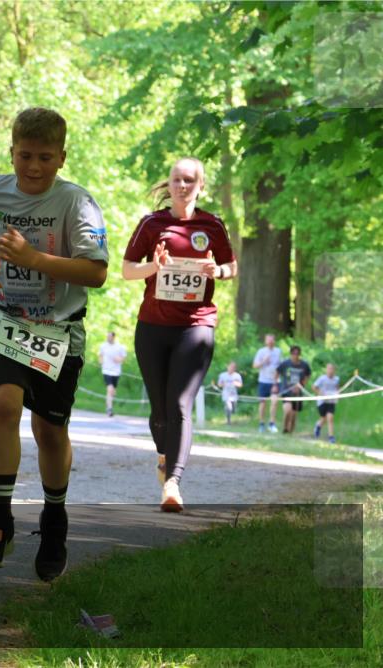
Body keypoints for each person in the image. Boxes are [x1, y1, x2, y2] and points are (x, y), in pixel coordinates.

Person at [0, 107, 108, 581]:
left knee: (49, 432)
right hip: (4, 318)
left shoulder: (77, 205)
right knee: (3, 405)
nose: (34, 166)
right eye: (25, 155)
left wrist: (35, 258)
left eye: (45, 157)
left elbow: (96, 272)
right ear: (12, 152)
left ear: (62, 158)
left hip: (60, 330)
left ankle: (54, 518)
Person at [121, 157, 236, 512]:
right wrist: (155, 266)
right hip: (153, 326)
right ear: (168, 185)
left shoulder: (212, 225)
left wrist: (216, 269)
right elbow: (126, 270)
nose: (182, 186)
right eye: (176, 180)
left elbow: (231, 266)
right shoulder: (151, 224)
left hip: (196, 325)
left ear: (201, 186)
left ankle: (172, 483)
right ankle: (163, 457)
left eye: (189, 180)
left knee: (180, 404)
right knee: (159, 411)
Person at [276, 345, 311, 435]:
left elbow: (308, 375)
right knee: (288, 410)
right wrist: (275, 385)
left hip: (298, 393)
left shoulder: (304, 365)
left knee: (294, 415)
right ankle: (285, 428)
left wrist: (302, 385)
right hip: (286, 391)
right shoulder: (285, 363)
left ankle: (290, 432)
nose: (295, 355)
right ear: (291, 354)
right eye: (294, 353)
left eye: (297, 354)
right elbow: (277, 372)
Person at [253, 334, 282, 433]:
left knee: (274, 402)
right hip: (263, 381)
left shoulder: (278, 351)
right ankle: (261, 423)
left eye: (272, 340)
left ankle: (272, 423)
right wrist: (263, 361)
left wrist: (275, 382)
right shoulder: (261, 351)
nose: (270, 342)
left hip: (275, 381)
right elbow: (255, 365)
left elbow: (281, 367)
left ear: (274, 341)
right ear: (265, 341)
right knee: (262, 403)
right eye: (268, 340)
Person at [97, 331, 127, 417]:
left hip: (116, 372)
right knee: (110, 389)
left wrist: (120, 359)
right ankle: (109, 409)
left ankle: (109, 405)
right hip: (106, 371)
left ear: (114, 337)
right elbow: (100, 355)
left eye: (109, 337)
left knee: (112, 392)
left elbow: (124, 358)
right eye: (107, 336)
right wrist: (100, 361)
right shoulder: (103, 346)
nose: (108, 338)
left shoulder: (119, 347)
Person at [313, 363, 340, 444]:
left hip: (331, 401)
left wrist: (338, 394)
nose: (330, 370)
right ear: (326, 370)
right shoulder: (322, 379)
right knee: (324, 418)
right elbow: (314, 387)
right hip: (322, 401)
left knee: (330, 417)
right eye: (328, 368)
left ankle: (331, 437)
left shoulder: (336, 379)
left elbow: (337, 388)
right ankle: (318, 426)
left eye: (332, 369)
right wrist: (320, 393)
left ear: (334, 370)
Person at [217, 360, 243, 425]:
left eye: (233, 367)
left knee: (233, 409)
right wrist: (223, 384)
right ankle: (228, 421)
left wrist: (236, 383)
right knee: (229, 407)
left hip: (234, 394)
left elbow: (240, 385)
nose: (232, 368)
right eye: (231, 366)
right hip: (226, 394)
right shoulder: (222, 375)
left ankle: (231, 413)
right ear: (227, 366)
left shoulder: (237, 375)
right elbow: (219, 384)